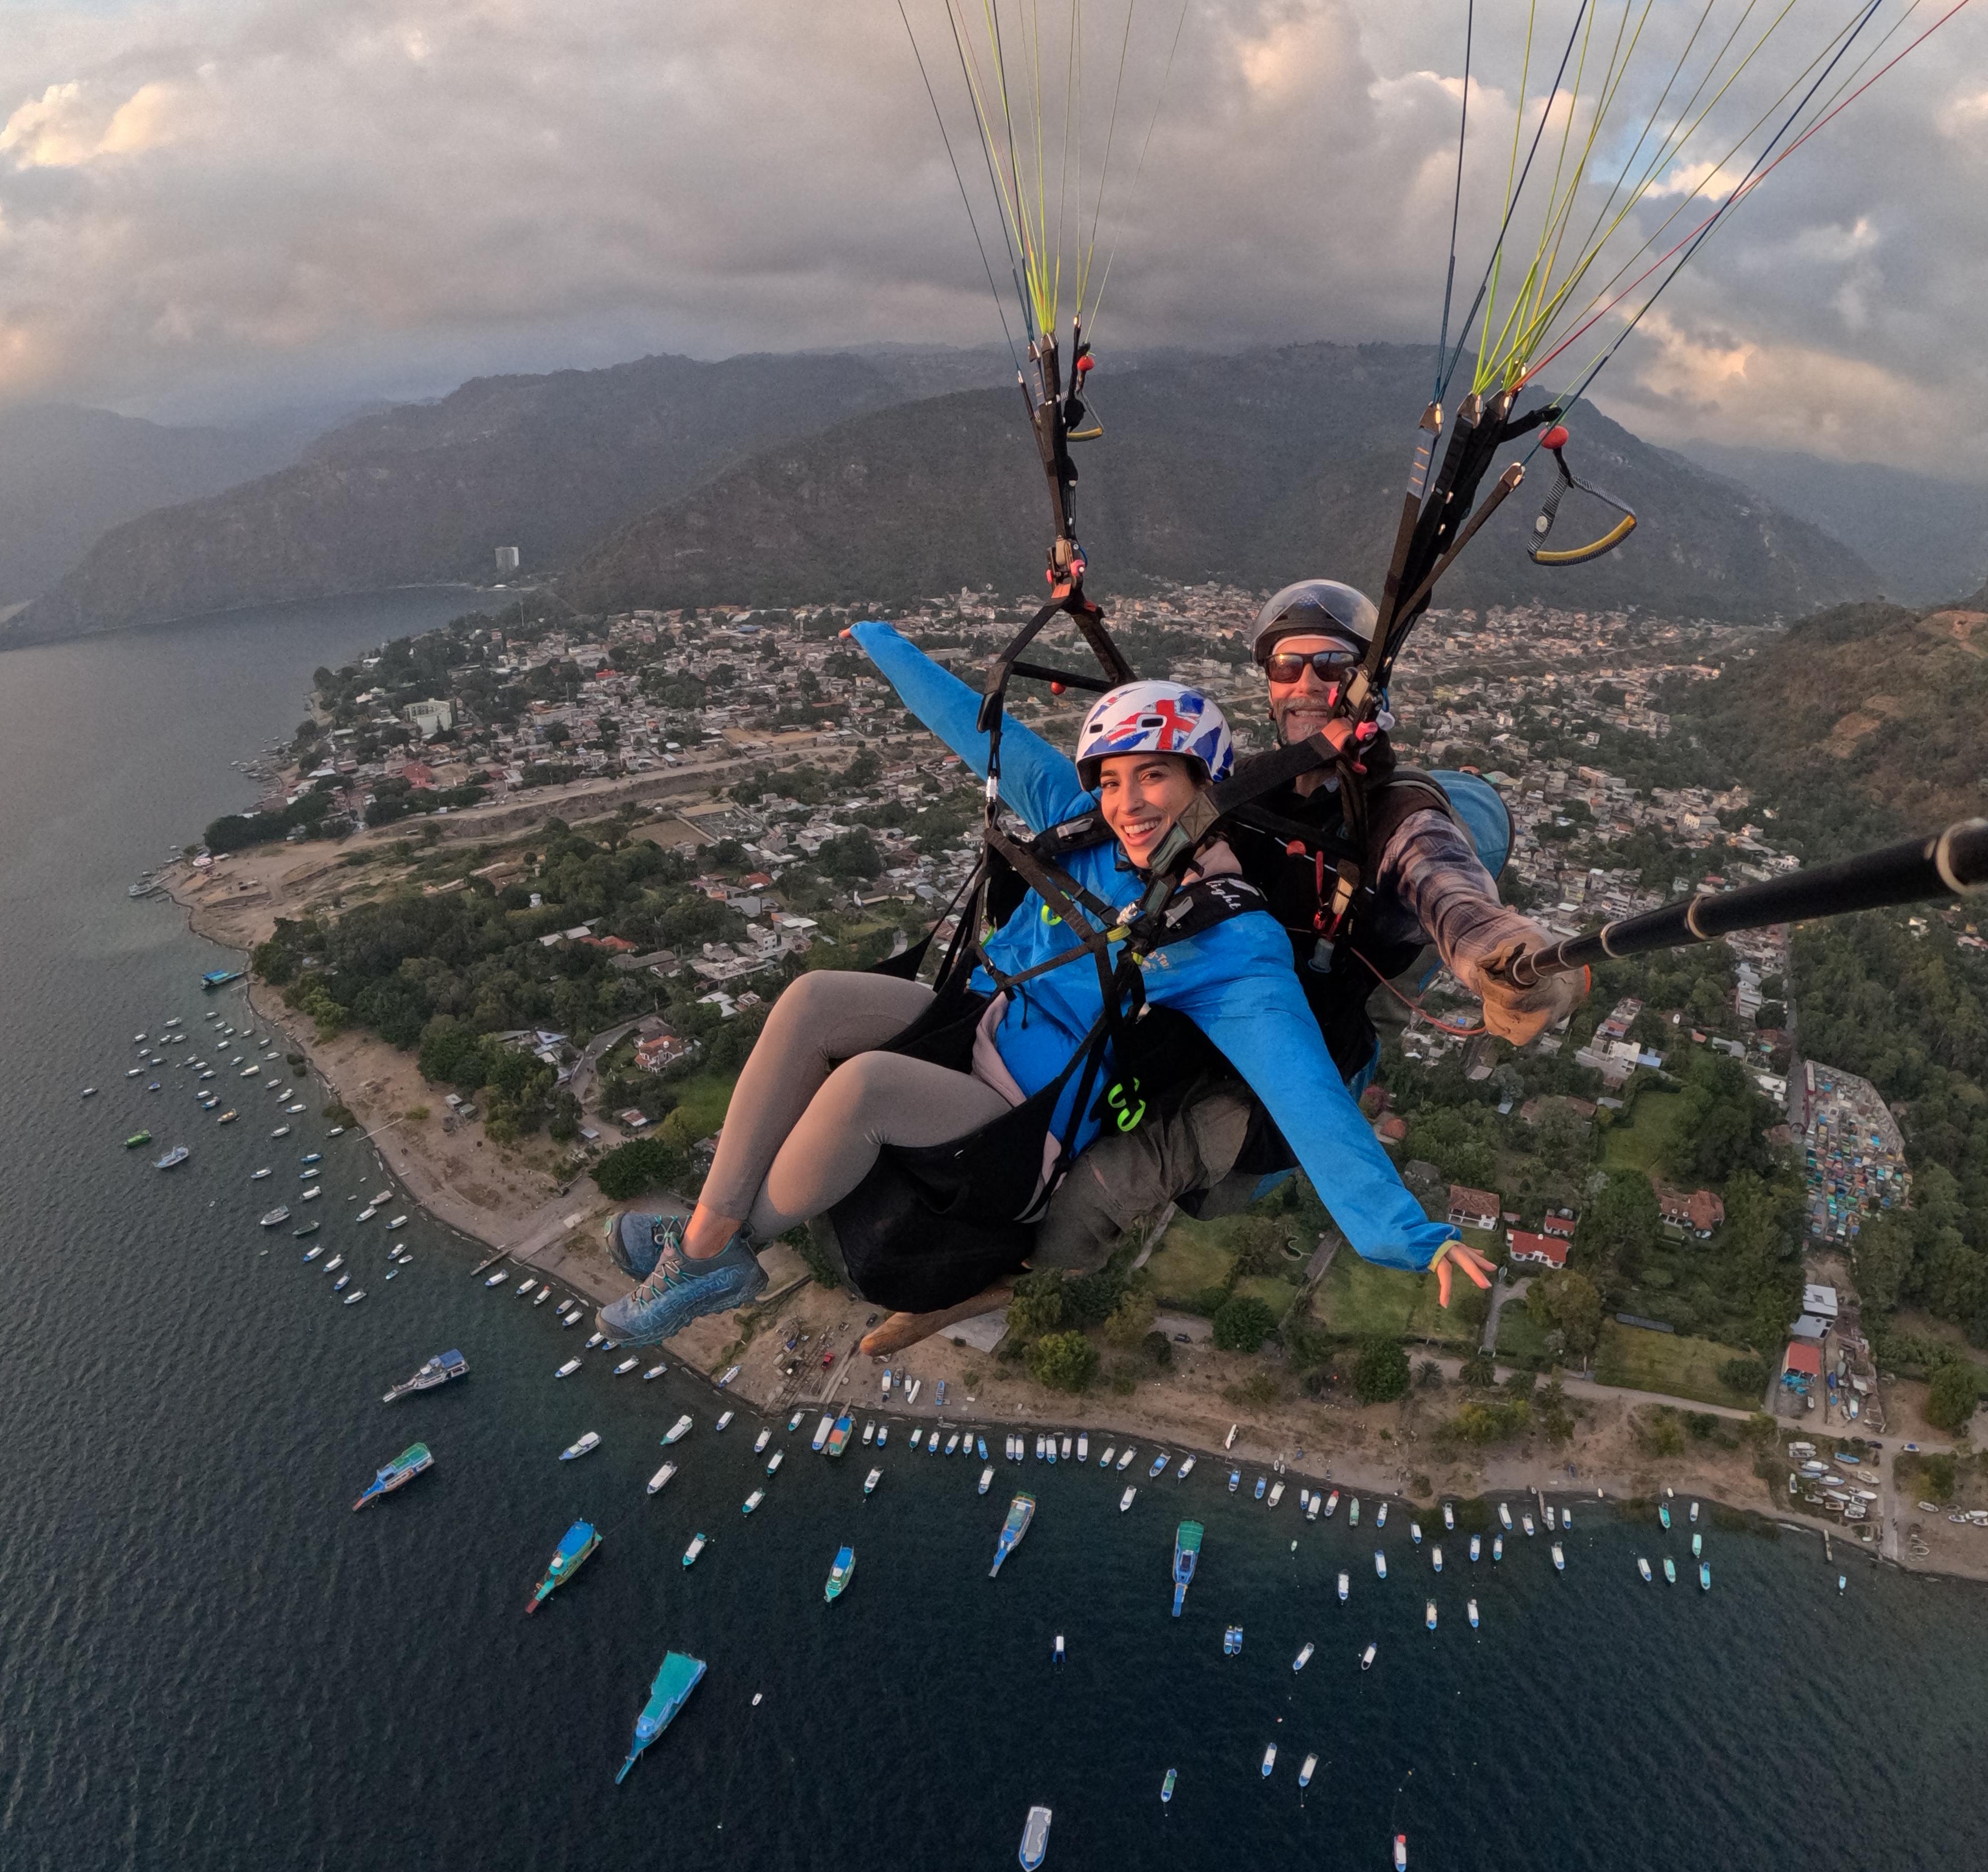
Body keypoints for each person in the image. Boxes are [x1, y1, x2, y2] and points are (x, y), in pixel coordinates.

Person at [596, 638, 1495, 1344]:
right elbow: (980, 731)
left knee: (863, 1090)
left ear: (1202, 787)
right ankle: (706, 1237)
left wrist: (1407, 1235)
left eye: (1155, 778)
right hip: (983, 1029)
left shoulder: (1226, 934)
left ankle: (711, 1254)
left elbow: (1305, 1094)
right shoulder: (1090, 830)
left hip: (1026, 1121)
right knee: (816, 999)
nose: (1130, 803)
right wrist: (880, 644)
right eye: (1113, 779)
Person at [1010, 575, 1589, 1282]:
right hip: (1202, 1014)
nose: (1307, 684)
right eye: (1287, 667)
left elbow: (1451, 893)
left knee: (1109, 1178)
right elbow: (1140, 795)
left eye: (1332, 666)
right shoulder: (1250, 785)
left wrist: (1505, 962)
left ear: (1366, 685)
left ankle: (1021, 1282)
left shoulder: (1398, 813)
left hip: (1287, 1070)